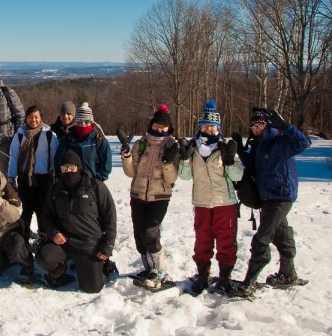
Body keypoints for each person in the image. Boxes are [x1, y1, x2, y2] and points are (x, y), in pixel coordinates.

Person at [232, 108, 311, 297]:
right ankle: (288, 274)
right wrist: (242, 151)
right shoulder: (258, 145)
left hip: (281, 197)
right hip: (266, 198)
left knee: (262, 239)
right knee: (282, 236)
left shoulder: (281, 141)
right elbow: (254, 165)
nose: (257, 128)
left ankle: (249, 283)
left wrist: (285, 126)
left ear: (268, 125)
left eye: (260, 125)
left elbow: (303, 143)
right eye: (253, 126)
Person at [178, 100, 243, 294]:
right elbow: (185, 176)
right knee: (202, 240)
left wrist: (230, 161)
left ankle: (224, 277)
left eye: (213, 126)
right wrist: (184, 158)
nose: (209, 129)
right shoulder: (193, 148)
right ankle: (202, 274)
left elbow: (237, 176)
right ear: (200, 127)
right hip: (202, 202)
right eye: (205, 125)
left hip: (225, 202)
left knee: (226, 240)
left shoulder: (225, 147)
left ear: (218, 128)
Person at [36, 150, 117, 293]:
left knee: (92, 288)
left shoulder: (96, 187)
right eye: (64, 168)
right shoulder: (56, 189)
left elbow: (110, 217)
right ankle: (60, 270)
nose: (68, 171)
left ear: (79, 167)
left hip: (89, 244)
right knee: (43, 257)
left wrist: (107, 246)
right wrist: (54, 233)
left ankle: (105, 265)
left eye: (72, 167)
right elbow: (47, 216)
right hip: (65, 242)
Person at [121, 104, 179, 289]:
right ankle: (149, 269)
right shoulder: (141, 143)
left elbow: (171, 178)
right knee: (140, 237)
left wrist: (168, 162)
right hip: (138, 194)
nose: (160, 128)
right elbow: (131, 173)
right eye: (157, 125)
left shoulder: (172, 146)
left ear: (169, 128)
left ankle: (158, 271)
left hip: (159, 196)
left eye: (164, 126)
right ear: (152, 125)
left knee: (150, 233)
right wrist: (127, 155)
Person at [7, 105, 59, 239]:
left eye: (36, 117)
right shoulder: (20, 135)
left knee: (42, 209)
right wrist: (11, 177)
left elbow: (54, 157)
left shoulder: (49, 135)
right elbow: (14, 157)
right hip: (25, 177)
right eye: (30, 117)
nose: (33, 120)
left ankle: (43, 236)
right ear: (26, 119)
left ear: (41, 117)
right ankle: (23, 236)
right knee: (27, 209)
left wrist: (55, 177)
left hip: (44, 178)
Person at [54, 102, 112, 181]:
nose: (83, 125)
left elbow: (106, 165)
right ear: (75, 123)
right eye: (80, 122)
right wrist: (64, 178)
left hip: (92, 185)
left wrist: (97, 180)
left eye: (87, 122)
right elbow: (58, 160)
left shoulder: (99, 141)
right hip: (71, 185)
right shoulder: (68, 139)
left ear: (92, 123)